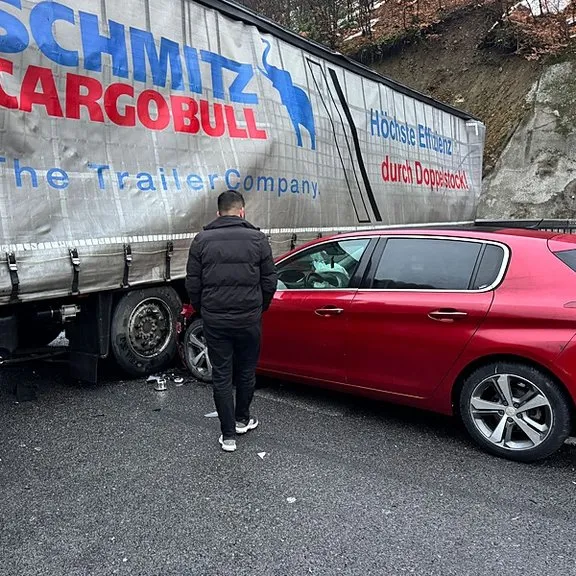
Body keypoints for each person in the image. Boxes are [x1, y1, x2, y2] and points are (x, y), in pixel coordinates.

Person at [185, 190, 278, 452]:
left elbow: (193, 282)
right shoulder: (258, 239)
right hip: (249, 319)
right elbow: (270, 280)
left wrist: (204, 309)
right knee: (247, 371)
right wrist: (260, 307)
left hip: (216, 320)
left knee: (222, 375)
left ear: (218, 213)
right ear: (242, 211)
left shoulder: (201, 240)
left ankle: (228, 436)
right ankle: (242, 419)